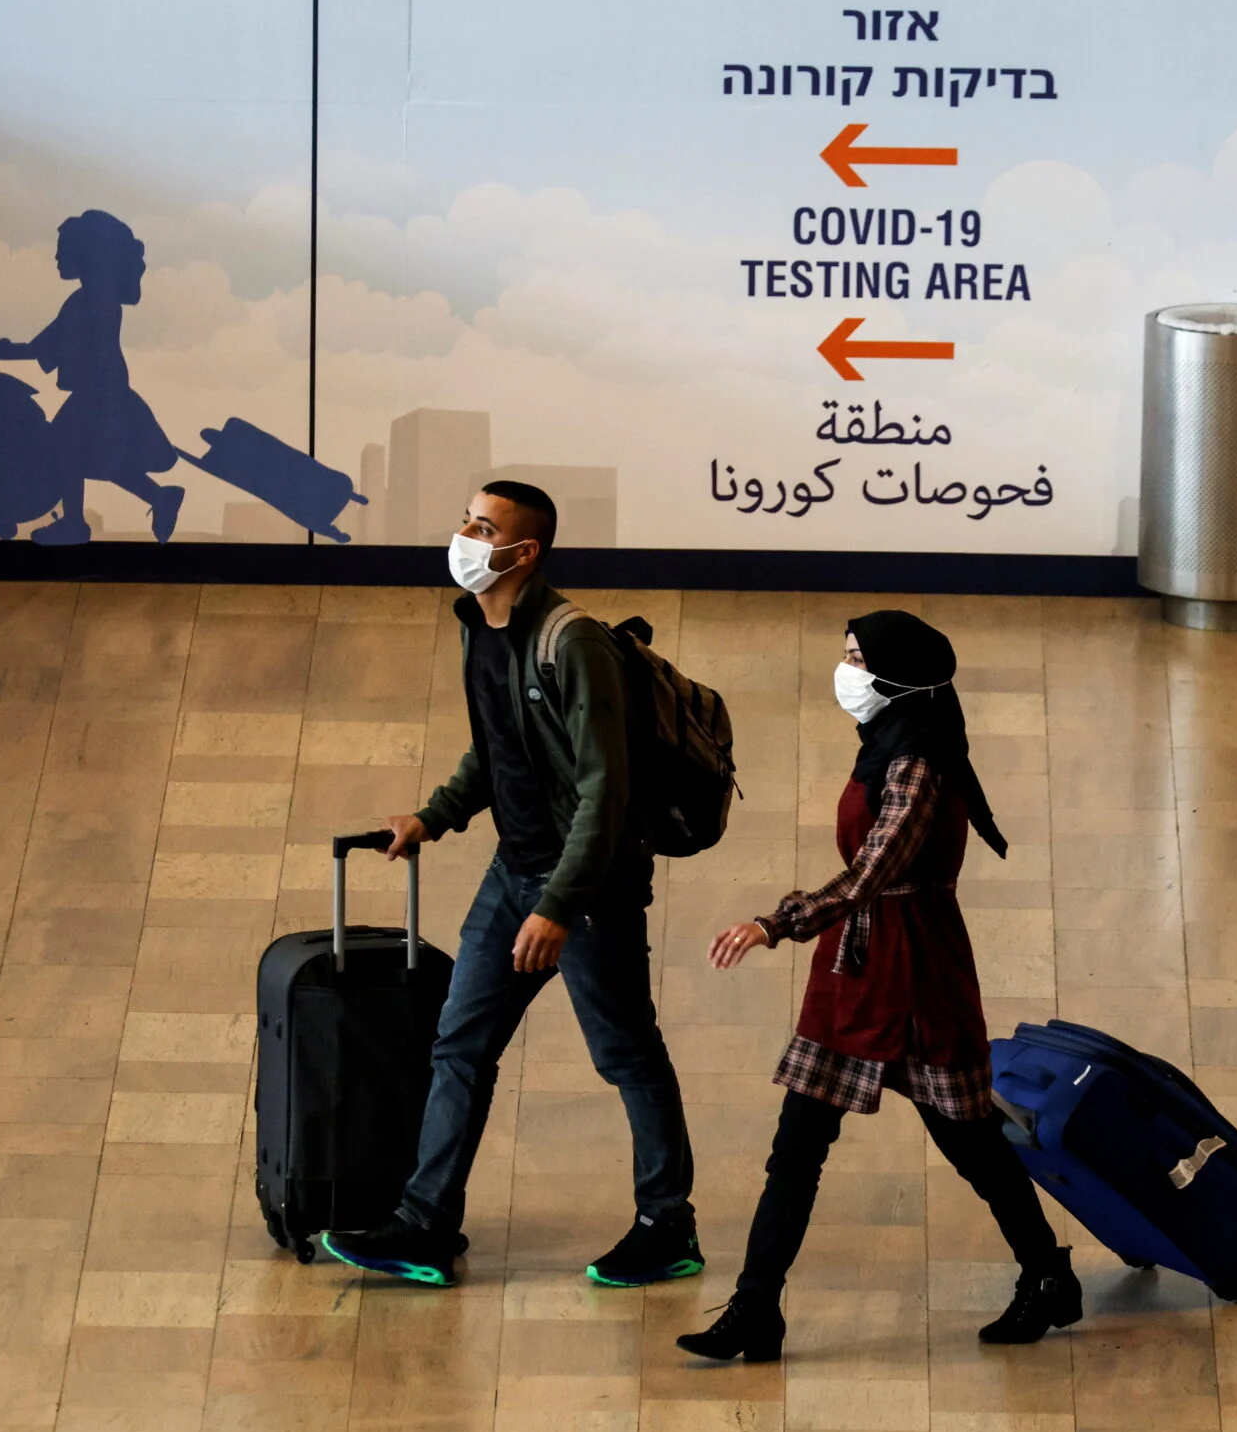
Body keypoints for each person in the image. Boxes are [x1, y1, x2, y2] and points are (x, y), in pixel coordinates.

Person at [320, 482, 699, 1289]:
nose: (462, 533)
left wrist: (560, 906)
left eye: (482, 526)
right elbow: (495, 750)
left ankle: (668, 1225)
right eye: (464, 516)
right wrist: (433, 816)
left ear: (523, 552)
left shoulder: (573, 643)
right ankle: (424, 1225)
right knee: (459, 1043)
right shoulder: (479, 630)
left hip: (587, 888)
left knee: (627, 1053)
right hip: (512, 872)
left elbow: (607, 790)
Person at [679, 612, 1077, 1365]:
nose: (847, 669)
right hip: (854, 970)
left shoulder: (919, 763)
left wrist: (777, 922)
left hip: (918, 976)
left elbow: (874, 872)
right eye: (847, 654)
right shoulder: (886, 748)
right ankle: (755, 1309)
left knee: (972, 1145)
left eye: (859, 657)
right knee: (795, 1147)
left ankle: (1048, 1273)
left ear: (901, 673)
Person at [0, 211, 185, 546]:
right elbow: (53, 341)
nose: (55, 257)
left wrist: (15, 352)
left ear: (87, 254)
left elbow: (56, 342)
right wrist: (16, 351)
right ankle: (159, 498)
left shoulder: (91, 300)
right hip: (103, 393)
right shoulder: (94, 299)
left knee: (67, 453)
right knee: (106, 460)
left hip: (99, 395)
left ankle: (75, 524)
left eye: (62, 249)